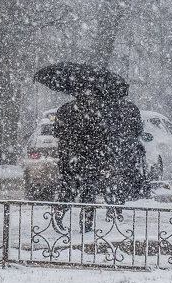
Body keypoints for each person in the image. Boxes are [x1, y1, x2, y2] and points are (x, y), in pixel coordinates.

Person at [53, 88, 108, 233]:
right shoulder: (95, 112)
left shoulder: (64, 109)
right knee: (89, 193)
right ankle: (86, 224)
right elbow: (101, 136)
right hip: (89, 159)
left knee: (68, 190)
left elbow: (57, 132)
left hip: (69, 158)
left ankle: (59, 214)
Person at [101, 94, 145, 215]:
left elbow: (100, 130)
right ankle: (119, 202)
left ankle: (110, 203)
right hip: (127, 150)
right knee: (125, 177)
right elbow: (139, 130)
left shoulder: (104, 108)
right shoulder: (132, 108)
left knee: (107, 178)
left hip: (109, 150)